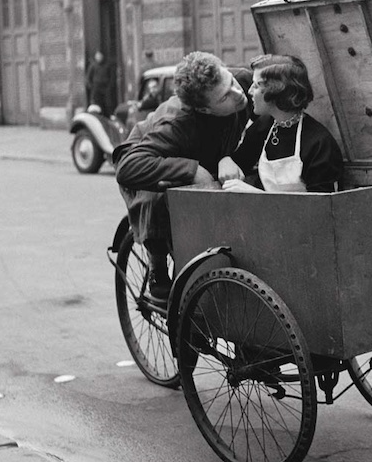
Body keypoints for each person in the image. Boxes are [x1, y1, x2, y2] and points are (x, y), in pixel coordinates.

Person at [113, 51, 250, 301]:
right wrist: (192, 170)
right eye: (224, 98)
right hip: (149, 155)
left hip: (204, 150)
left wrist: (228, 158)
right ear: (203, 109)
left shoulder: (242, 80)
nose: (238, 94)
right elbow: (129, 167)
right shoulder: (177, 124)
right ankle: (158, 267)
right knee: (158, 199)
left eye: (230, 82)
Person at [221, 54, 343, 194]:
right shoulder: (264, 126)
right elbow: (240, 162)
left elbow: (325, 207)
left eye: (256, 86)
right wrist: (225, 160)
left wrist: (257, 196)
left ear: (276, 91)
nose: (249, 91)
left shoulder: (319, 143)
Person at [85, 50, 113, 115]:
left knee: (106, 103)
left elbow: (111, 76)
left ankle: (107, 115)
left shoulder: (107, 65)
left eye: (100, 56)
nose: (99, 57)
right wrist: (92, 87)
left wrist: (109, 86)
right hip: (96, 87)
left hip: (105, 87)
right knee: (96, 104)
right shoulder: (93, 66)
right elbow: (88, 77)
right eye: (97, 56)